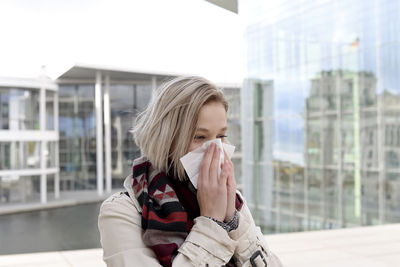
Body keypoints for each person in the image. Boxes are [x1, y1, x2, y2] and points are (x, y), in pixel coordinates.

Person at [98, 76, 283, 267]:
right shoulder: (121, 212)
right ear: (165, 139)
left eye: (221, 136)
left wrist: (233, 222)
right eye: (199, 137)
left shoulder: (232, 201)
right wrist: (212, 223)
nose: (216, 148)